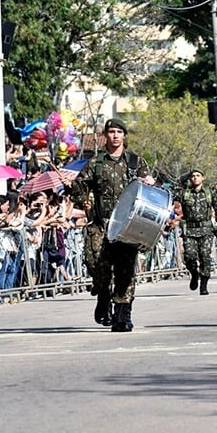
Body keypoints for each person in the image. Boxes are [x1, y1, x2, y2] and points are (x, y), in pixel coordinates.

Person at [69, 118, 155, 332]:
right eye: (111, 132)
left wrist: (151, 183)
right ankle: (103, 294)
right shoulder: (96, 163)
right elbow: (78, 188)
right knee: (95, 263)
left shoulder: (135, 162)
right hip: (102, 224)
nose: (115, 135)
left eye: (119, 132)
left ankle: (122, 315)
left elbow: (151, 192)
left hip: (128, 226)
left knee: (125, 271)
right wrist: (81, 197)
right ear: (105, 136)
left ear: (124, 135)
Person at [175, 169, 217, 295]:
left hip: (206, 229)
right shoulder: (185, 193)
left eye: (198, 176)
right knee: (189, 256)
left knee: (205, 256)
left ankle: (204, 284)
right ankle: (194, 274)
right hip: (190, 230)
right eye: (192, 176)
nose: (195, 178)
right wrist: (182, 180)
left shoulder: (209, 193)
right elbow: (172, 194)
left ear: (203, 178)